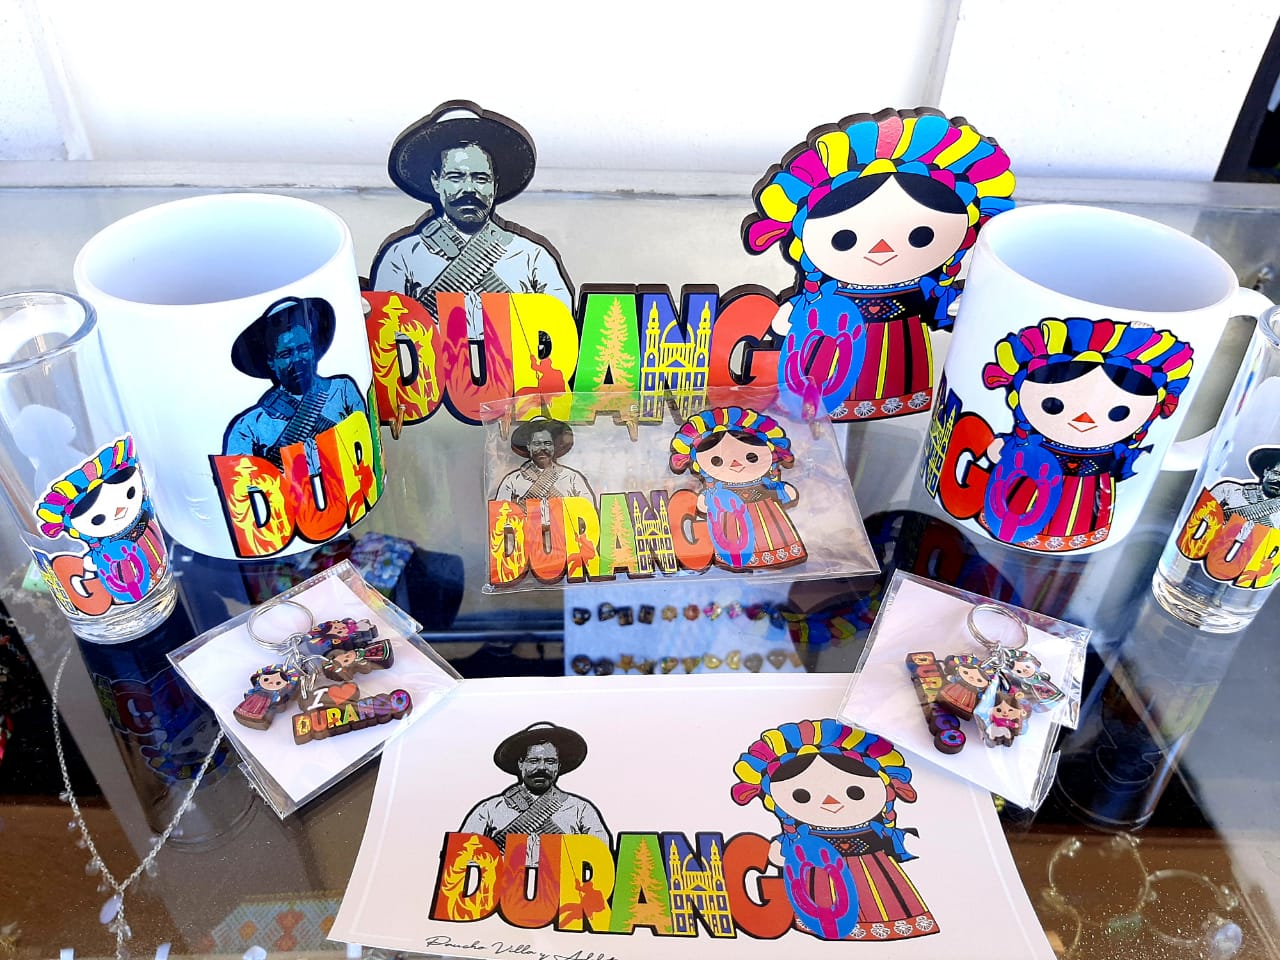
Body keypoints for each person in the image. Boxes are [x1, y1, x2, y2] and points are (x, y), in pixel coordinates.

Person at [741, 108, 1015, 420]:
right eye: (844, 239)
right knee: (830, 396)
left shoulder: (926, 284)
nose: (882, 249)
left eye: (921, 236)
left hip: (904, 357)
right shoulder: (825, 293)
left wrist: (958, 305)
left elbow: (938, 309)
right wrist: (792, 311)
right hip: (835, 363)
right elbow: (808, 315)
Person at [371, 103, 573, 384]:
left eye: (480, 178)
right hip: (432, 393)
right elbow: (387, 342)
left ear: (494, 185)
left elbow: (559, 337)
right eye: (456, 177)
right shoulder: (402, 256)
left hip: (515, 396)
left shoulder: (533, 257)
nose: (469, 189)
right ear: (436, 182)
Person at [981, 317, 1194, 552]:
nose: (1084, 419)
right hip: (1027, 483)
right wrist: (1004, 446)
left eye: (1118, 413)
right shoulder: (1031, 439)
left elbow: (1125, 461)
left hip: (1089, 489)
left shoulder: (1117, 449)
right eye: (1053, 405)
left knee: (1076, 520)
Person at [731, 720, 936, 942]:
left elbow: (894, 841)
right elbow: (784, 854)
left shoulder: (877, 828)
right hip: (821, 880)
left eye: (855, 792)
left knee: (883, 903)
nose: (830, 802)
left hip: (874, 871)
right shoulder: (802, 834)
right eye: (802, 796)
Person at [223, 296, 367, 468]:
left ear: (313, 350)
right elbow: (239, 480)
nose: (298, 359)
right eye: (286, 354)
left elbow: (364, 443)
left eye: (304, 348)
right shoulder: (248, 427)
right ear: (271, 362)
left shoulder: (343, 391)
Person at [35, 436, 168, 605]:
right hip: (119, 586)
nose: (120, 510)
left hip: (159, 574)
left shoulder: (143, 516)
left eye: (130, 493)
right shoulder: (101, 550)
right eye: (97, 519)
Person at [668, 406, 805, 571]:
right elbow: (708, 502)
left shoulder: (766, 483)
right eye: (717, 461)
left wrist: (783, 490)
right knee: (733, 539)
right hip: (731, 520)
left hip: (768, 516)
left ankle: (777, 554)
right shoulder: (717, 489)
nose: (735, 464)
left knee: (772, 537)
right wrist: (707, 499)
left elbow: (779, 491)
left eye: (751, 457)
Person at [459, 722, 611, 858]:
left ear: (558, 766)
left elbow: (601, 857)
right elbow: (460, 856)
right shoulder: (488, 811)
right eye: (534, 761)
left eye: (550, 761)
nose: (542, 767)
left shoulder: (581, 810)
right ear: (520, 764)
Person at [494, 418, 593, 505]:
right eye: (537, 444)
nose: (542, 448)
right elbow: (500, 514)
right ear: (528, 446)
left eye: (547, 443)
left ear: (554, 446)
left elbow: (588, 511)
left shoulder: (572, 478)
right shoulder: (512, 481)